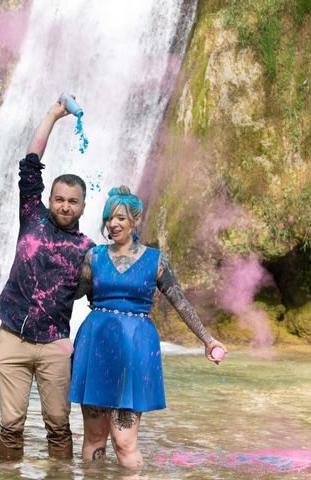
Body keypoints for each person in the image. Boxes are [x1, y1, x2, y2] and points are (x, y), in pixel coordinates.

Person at [69, 185, 226, 469]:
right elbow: (73, 293)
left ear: (135, 221)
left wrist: (207, 339)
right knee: (93, 437)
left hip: (134, 350)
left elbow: (180, 302)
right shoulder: (94, 256)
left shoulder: (156, 260)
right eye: (109, 218)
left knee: (124, 441)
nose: (113, 224)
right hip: (95, 344)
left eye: (120, 218)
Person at [0, 98, 94, 461]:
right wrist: (52, 114)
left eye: (73, 201)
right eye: (60, 199)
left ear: (83, 206)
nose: (65, 206)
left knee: (57, 423)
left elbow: (103, 294)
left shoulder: (88, 249)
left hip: (55, 344)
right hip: (13, 337)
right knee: (11, 423)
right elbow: (30, 163)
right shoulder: (31, 215)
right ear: (48, 199)